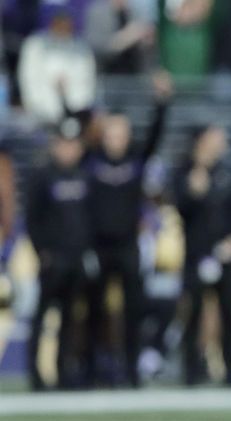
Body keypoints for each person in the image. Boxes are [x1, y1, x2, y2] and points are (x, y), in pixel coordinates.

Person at [85, 70, 172, 387]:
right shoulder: (92, 161)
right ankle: (94, 369)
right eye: (111, 133)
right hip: (98, 245)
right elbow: (79, 130)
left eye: (121, 133)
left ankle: (133, 372)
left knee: (134, 309)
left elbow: (156, 136)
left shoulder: (136, 160)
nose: (116, 139)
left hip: (127, 244)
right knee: (96, 309)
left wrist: (161, 101)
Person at [174, 124, 231, 386]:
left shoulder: (227, 173)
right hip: (196, 254)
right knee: (192, 313)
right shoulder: (185, 171)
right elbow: (181, 210)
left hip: (224, 255)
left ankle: (230, 370)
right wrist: (193, 191)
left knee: (229, 313)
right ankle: (191, 371)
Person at [25, 116, 92, 390]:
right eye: (64, 144)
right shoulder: (43, 175)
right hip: (52, 258)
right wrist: (42, 251)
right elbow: (32, 219)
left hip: (76, 258)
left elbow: (90, 218)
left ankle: (65, 372)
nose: (68, 150)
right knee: (42, 317)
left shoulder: (85, 176)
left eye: (73, 144)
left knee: (69, 318)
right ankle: (36, 375)